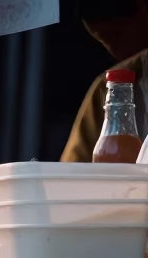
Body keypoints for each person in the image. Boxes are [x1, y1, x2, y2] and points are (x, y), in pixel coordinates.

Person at [63, 0, 148, 161]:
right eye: (103, 41)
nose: (114, 50)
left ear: (144, 10)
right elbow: (73, 171)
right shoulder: (109, 89)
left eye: (117, 34)